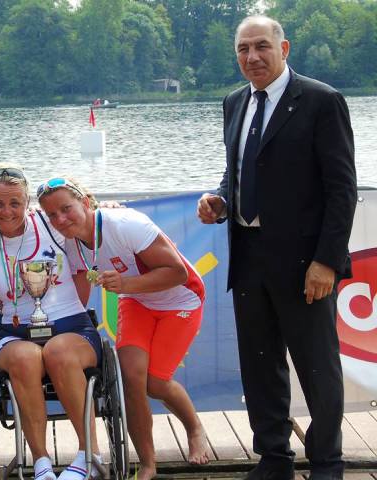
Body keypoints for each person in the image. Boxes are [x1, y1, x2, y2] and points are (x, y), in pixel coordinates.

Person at [196, 15, 356, 480]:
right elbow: (239, 173)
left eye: (262, 46)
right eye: (243, 49)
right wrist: (220, 201)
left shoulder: (322, 101)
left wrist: (326, 261)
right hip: (247, 255)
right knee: (261, 366)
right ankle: (274, 459)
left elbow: (342, 190)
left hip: (307, 263)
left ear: (284, 48)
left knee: (318, 370)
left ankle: (326, 463)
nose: (252, 57)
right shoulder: (234, 102)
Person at [37, 177, 211, 480]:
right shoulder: (69, 243)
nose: (60, 219)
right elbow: (78, 296)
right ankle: (147, 464)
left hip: (181, 298)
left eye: (66, 209)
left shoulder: (125, 224)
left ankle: (194, 428)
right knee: (131, 379)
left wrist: (127, 283)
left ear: (86, 202)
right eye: (52, 215)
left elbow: (177, 273)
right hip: (137, 301)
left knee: (155, 384)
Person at [0, 166, 104, 480]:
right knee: (25, 360)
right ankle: (41, 464)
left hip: (71, 328)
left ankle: (89, 455)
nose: (7, 211)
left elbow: (90, 221)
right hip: (16, 333)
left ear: (27, 202)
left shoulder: (52, 225)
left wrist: (110, 209)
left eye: (15, 202)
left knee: (58, 353)